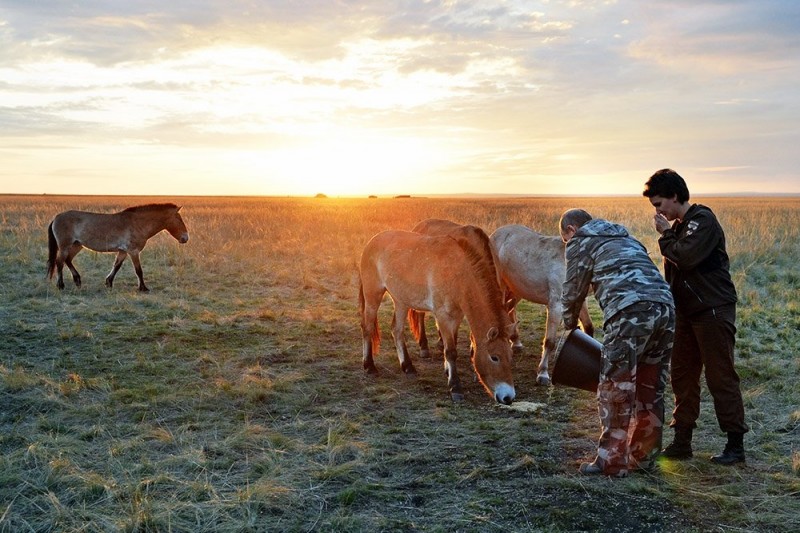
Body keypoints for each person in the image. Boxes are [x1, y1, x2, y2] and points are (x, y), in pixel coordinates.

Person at [643, 169, 748, 465]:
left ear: (675, 197)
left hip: (712, 310)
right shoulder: (682, 226)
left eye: (659, 204)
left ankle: (735, 445)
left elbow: (685, 257)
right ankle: (682, 442)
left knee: (720, 376)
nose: (658, 211)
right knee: (682, 376)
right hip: (687, 313)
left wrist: (665, 234)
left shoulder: (703, 220)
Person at [560, 209, 675, 477]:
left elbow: (572, 291)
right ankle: (644, 460)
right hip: (666, 309)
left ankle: (610, 462)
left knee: (615, 388)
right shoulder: (626, 236)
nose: (567, 244)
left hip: (629, 313)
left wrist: (568, 327)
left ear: (571, 229)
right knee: (651, 386)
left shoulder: (580, 240)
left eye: (565, 239)